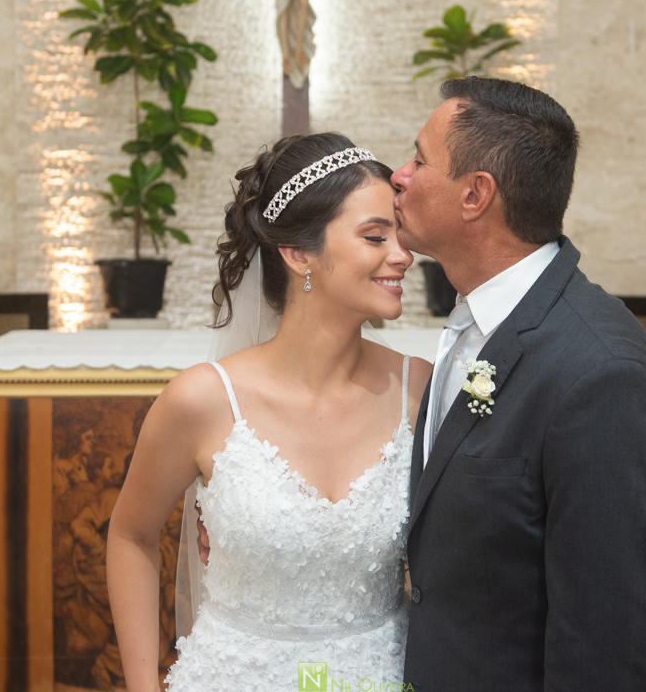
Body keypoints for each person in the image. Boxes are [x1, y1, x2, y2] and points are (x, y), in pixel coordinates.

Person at [392, 77, 646, 691]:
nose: (399, 174)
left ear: (476, 194)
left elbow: (613, 650)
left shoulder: (604, 378)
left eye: (420, 159)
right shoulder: (477, 320)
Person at [107, 132, 431, 691]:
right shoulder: (203, 401)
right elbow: (130, 536)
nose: (402, 255)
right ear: (298, 252)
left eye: (400, 235)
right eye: (376, 236)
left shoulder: (420, 388)